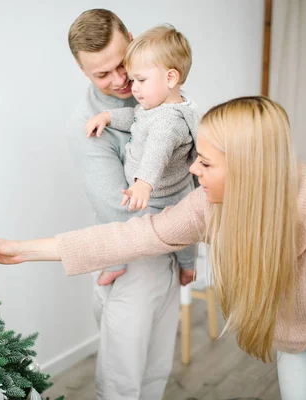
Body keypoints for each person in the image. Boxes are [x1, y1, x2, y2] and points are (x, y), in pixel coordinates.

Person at [0, 96, 306, 400]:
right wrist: (22, 250)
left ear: (250, 170)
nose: (194, 169)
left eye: (206, 163)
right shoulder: (213, 205)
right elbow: (133, 236)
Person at [26, 9, 192, 400]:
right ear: (83, 72)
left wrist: (187, 253)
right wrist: (183, 228)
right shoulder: (87, 124)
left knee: (156, 370)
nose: (119, 80)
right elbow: (121, 209)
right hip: (129, 258)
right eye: (102, 74)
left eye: (122, 64)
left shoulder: (160, 94)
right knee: (122, 381)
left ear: (132, 40)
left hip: (172, 248)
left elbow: (191, 174)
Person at [84, 24, 198, 286]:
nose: (133, 88)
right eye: (133, 80)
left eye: (141, 80)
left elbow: (157, 152)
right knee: (116, 224)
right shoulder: (156, 107)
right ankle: (115, 262)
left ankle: (188, 267)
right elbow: (135, 117)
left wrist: (143, 184)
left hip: (165, 196)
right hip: (151, 192)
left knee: (180, 232)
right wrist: (108, 117)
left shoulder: (168, 122)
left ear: (170, 78)